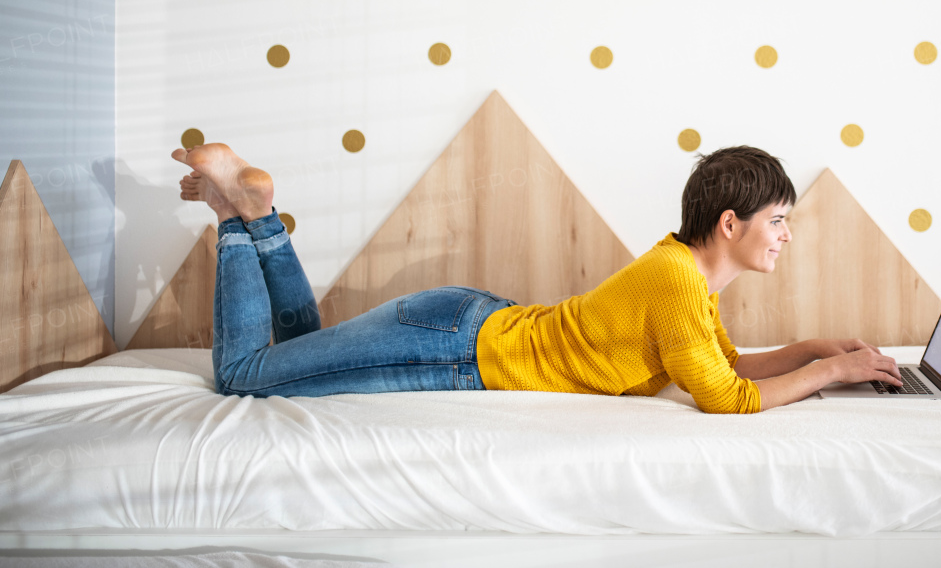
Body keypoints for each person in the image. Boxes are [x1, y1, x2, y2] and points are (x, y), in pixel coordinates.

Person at [173, 142, 902, 412]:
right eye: (778, 220)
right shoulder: (677, 280)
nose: (787, 235)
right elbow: (728, 397)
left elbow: (728, 364)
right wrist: (831, 372)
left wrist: (816, 348)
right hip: (455, 349)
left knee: (302, 352)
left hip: (459, 325)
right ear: (730, 225)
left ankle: (257, 213)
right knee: (246, 374)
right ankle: (240, 219)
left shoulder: (683, 273)